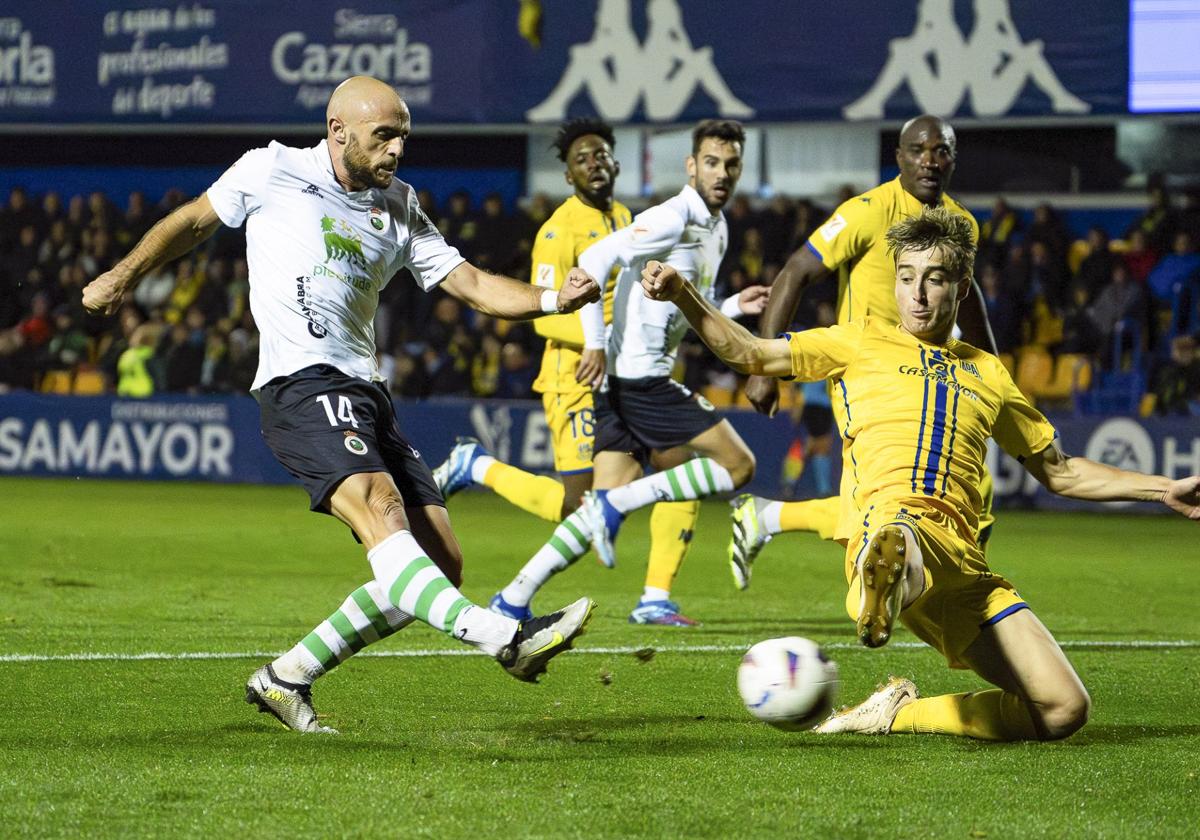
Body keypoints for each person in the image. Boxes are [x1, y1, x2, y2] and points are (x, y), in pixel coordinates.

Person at [81, 76, 599, 735]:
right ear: (338, 132)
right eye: (385, 135)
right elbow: (191, 223)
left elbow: (468, 284)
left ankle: (287, 676)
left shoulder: (402, 205)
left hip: (366, 394)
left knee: (441, 561)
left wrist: (554, 300)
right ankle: (505, 636)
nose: (396, 150)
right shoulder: (272, 170)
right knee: (382, 508)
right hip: (299, 384)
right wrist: (123, 275)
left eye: (404, 136)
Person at [641, 206, 1200, 741]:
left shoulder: (989, 373)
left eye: (934, 279)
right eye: (906, 276)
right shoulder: (857, 340)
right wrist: (684, 296)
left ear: (960, 287)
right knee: (899, 533)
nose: (916, 292)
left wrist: (1163, 489)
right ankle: (877, 581)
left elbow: (1063, 472)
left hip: (966, 568)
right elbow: (750, 353)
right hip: (896, 524)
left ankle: (896, 714)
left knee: (1062, 709)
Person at [491, 119, 768, 626]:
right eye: (711, 162)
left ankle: (513, 596)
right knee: (739, 465)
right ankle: (628, 535)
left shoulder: (717, 226)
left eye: (731, 164)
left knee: (591, 505)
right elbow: (594, 258)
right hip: (640, 380)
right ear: (691, 166)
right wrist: (594, 342)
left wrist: (730, 304)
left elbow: (678, 305)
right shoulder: (673, 217)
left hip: (623, 382)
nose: (721, 173)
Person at [434, 118, 701, 624]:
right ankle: (476, 467)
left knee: (681, 469)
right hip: (575, 377)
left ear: (616, 163)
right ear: (568, 176)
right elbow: (543, 316)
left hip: (628, 376)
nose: (594, 165)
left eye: (601, 155)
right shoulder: (557, 232)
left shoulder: (626, 216)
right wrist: (607, 344)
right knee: (581, 511)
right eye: (582, 160)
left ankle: (655, 597)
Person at [730, 115, 992, 591]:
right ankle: (886, 597)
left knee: (949, 496)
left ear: (953, 159)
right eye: (918, 150)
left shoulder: (962, 224)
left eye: (941, 151)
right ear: (899, 157)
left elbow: (969, 302)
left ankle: (767, 518)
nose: (930, 161)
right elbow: (794, 273)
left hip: (932, 377)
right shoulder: (868, 210)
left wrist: (993, 375)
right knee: (885, 500)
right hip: (867, 373)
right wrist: (763, 369)